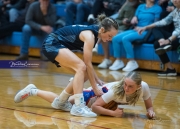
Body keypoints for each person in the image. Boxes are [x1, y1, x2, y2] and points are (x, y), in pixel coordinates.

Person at [42, 14, 118, 117]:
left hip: (56, 44)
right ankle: (78, 106)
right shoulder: (90, 36)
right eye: (110, 36)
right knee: (81, 67)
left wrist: (97, 80)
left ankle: (61, 101)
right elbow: (87, 63)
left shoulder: (94, 34)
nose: (110, 39)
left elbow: (88, 65)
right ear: (102, 30)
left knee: (84, 71)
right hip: (51, 44)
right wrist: (95, 88)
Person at [14, 71, 155, 119]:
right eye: (125, 84)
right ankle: (33, 91)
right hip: (92, 97)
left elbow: (149, 106)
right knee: (62, 105)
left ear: (138, 86)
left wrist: (150, 112)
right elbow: (96, 108)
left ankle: (75, 84)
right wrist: (113, 114)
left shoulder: (144, 87)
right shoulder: (116, 91)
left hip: (99, 94)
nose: (126, 88)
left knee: (61, 103)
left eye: (130, 86)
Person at [108, 0, 162, 71]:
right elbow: (135, 18)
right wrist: (134, 19)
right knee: (115, 38)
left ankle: (132, 62)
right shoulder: (140, 6)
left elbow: (156, 24)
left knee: (125, 39)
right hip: (136, 29)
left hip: (148, 32)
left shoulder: (158, 8)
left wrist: (144, 27)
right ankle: (118, 61)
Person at [137, 0, 180, 76]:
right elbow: (163, 22)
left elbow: (178, 30)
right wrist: (145, 27)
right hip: (175, 37)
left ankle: (164, 44)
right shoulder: (176, 11)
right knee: (157, 42)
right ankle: (170, 69)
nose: (175, 0)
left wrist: (169, 40)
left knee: (159, 43)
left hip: (178, 39)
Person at [97, 0, 140, 69]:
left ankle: (97, 45)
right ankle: (107, 59)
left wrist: (124, 21)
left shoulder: (132, 7)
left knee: (105, 34)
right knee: (103, 31)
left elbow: (127, 22)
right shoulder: (126, 4)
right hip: (118, 26)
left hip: (124, 29)